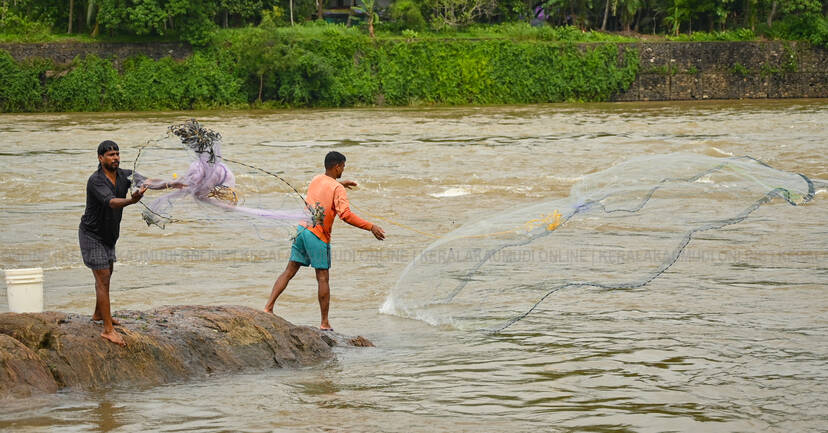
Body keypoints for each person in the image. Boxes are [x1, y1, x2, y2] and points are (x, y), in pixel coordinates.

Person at [264, 151, 385, 330]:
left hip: (302, 230)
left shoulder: (317, 179)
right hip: (318, 236)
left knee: (289, 270)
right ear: (337, 166)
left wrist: (341, 183)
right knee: (322, 278)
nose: (343, 169)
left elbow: (325, 187)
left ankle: (268, 307)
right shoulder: (337, 189)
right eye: (343, 166)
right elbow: (346, 215)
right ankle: (324, 323)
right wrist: (371, 227)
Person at [79, 140, 180, 346]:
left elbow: (150, 182)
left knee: (107, 274)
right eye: (110, 155)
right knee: (103, 278)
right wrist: (131, 201)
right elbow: (112, 202)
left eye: (117, 153)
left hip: (108, 236)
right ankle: (108, 330)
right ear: (100, 158)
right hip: (92, 235)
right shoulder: (96, 181)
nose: (115, 157)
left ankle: (99, 314)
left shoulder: (125, 175)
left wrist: (173, 183)